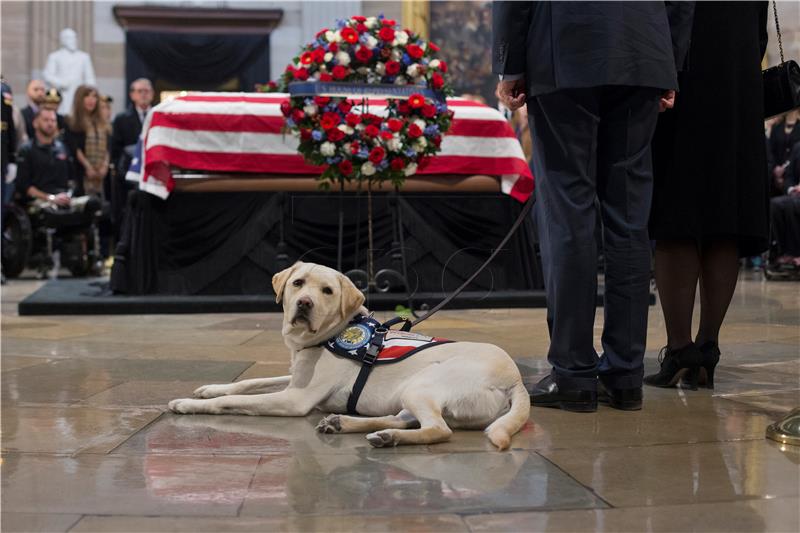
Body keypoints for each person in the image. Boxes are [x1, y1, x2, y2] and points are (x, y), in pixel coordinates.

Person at [493, 1, 694, 412]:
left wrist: (510, 62)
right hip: (643, 52)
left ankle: (572, 373)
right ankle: (625, 375)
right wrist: (669, 60)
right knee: (630, 217)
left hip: (564, 47)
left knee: (568, 210)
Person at [646, 3, 769, 390]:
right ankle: (708, 346)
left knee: (676, 211)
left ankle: (681, 350)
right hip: (739, 79)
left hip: (685, 71)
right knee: (724, 217)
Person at [15, 108, 99, 216]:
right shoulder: (26, 150)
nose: (50, 124)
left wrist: (68, 195)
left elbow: (72, 180)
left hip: (64, 199)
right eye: (46, 120)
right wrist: (50, 198)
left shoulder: (62, 148)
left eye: (53, 120)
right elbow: (24, 186)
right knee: (50, 213)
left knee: (94, 203)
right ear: (35, 123)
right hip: (41, 201)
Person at [110, 78, 153, 235]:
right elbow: (115, 150)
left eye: (146, 91)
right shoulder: (121, 119)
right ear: (132, 95)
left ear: (152, 94)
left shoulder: (158, 116)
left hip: (152, 177)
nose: (143, 95)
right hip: (128, 179)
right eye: (139, 91)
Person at [64, 85, 110, 199]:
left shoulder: (103, 123)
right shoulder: (71, 122)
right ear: (80, 99)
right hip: (81, 173)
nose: (91, 100)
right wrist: (88, 167)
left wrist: (105, 166)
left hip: (102, 174)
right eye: (87, 96)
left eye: (94, 96)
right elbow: (75, 149)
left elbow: (108, 147)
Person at [43, 28, 96, 115]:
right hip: (63, 92)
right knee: (63, 113)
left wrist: (90, 94)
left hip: (79, 93)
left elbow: (90, 78)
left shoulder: (84, 57)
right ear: (63, 40)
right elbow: (47, 75)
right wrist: (61, 82)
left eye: (74, 38)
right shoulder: (55, 56)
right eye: (69, 38)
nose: (73, 40)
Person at [770, 141, 800, 268]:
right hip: (795, 194)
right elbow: (788, 176)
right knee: (775, 204)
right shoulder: (797, 147)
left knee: (791, 205)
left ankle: (796, 253)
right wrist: (791, 189)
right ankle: (784, 252)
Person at [768, 109, 800, 197]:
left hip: (793, 177)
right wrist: (775, 168)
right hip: (775, 176)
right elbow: (771, 150)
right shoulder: (776, 127)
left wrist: (785, 168)